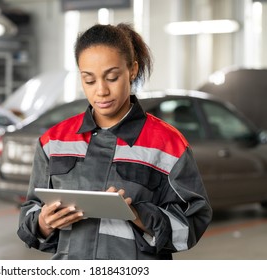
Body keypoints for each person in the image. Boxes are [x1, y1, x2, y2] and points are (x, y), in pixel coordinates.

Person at [17, 23, 212, 260]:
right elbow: (30, 215)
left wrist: (138, 215)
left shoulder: (167, 144)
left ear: (132, 70)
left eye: (112, 77)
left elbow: (193, 222)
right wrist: (43, 222)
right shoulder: (54, 141)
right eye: (89, 80)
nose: (101, 91)